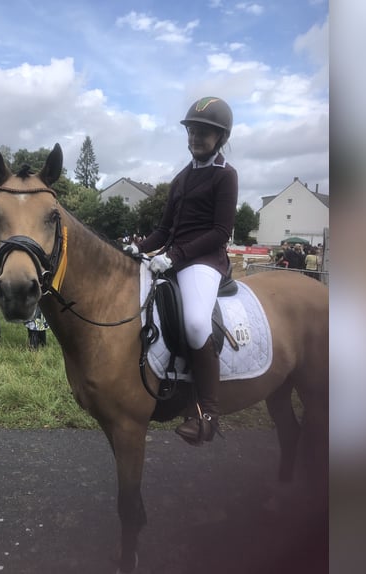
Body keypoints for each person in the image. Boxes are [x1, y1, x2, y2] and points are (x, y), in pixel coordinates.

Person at [124, 96, 238, 445]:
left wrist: (175, 257)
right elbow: (162, 231)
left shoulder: (226, 176)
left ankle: (208, 412)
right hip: (173, 257)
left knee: (195, 323)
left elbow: (221, 231)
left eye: (203, 133)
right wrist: (137, 248)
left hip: (204, 261)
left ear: (220, 138)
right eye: (192, 131)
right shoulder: (181, 178)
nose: (195, 138)